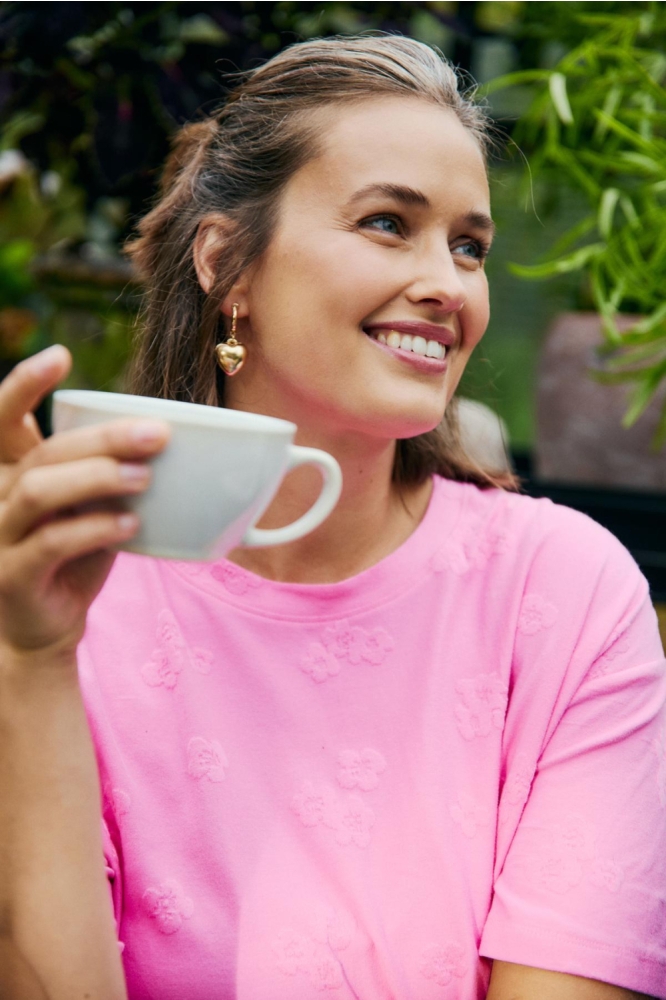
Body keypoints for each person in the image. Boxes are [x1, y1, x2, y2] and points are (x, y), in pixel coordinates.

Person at [0, 34, 664, 1000]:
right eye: (389, 223)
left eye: (469, 244)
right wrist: (32, 660)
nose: (447, 283)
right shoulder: (55, 592)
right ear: (226, 264)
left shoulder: (567, 592)